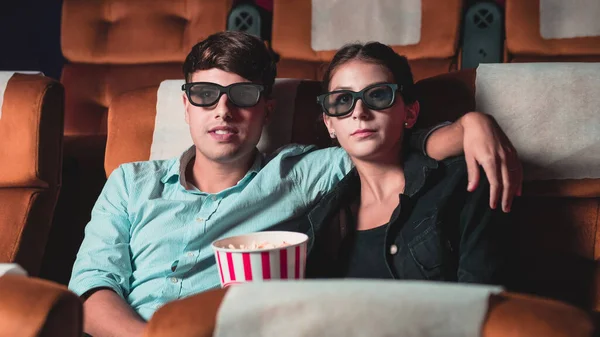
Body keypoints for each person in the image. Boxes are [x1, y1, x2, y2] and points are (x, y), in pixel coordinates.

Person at [69, 31, 521, 337]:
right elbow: (91, 287)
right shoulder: (129, 181)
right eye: (205, 95)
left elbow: (378, 143)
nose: (223, 112)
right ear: (186, 107)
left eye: (242, 96)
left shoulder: (299, 174)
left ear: (267, 108)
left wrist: (470, 126)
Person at [305, 42, 509, 283]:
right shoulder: (320, 217)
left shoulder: (466, 182)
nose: (359, 112)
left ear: (409, 114)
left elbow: (482, 301)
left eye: (378, 95)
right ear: (330, 124)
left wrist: (475, 121)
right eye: (342, 100)